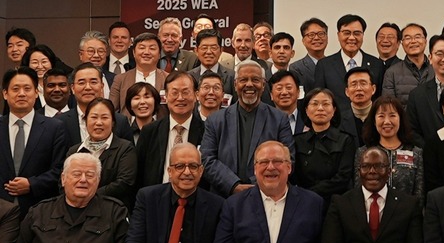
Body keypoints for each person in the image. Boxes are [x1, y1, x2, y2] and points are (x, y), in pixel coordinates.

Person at [0, 68, 66, 205]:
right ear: (5, 94)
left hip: (39, 207)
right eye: (15, 89)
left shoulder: (54, 128)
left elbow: (60, 169)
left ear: (36, 93)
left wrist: (32, 184)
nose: (21, 94)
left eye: (27, 89)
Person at [201, 60, 294, 195]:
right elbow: (207, 159)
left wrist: (256, 187)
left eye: (255, 80)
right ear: (235, 85)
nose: (249, 84)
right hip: (224, 196)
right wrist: (233, 185)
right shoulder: (215, 120)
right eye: (243, 80)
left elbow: (288, 159)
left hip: (265, 196)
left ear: (263, 85)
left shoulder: (279, 119)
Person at [41, 96, 138, 207]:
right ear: (85, 121)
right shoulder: (74, 151)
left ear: (113, 122)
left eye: (104, 118)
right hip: (75, 209)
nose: (99, 122)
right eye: (94, 117)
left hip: (111, 209)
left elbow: (124, 183)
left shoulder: (125, 148)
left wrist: (87, 195)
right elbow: (63, 182)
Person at [138, 71, 205, 188]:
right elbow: (139, 172)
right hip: (156, 196)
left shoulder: (207, 131)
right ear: (166, 96)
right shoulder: (150, 131)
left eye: (185, 92)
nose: (180, 98)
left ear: (196, 96)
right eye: (174, 93)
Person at [293, 87, 356, 199]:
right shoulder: (297, 141)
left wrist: (312, 192)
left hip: (336, 200)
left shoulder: (345, 140)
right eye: (315, 104)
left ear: (334, 110)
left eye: (326, 104)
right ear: (306, 110)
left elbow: (343, 177)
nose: (320, 108)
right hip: (305, 200)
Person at [362, 96, 422, 199]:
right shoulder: (364, 152)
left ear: (400, 119)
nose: (387, 121)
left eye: (392, 115)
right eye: (381, 116)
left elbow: (419, 195)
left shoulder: (415, 153)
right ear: (374, 121)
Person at [315, 13, 370, 101]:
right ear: (338, 35)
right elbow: (319, 98)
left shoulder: (377, 65)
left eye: (357, 33)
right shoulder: (324, 65)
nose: (351, 38)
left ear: (363, 35)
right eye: (347, 33)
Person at [379, 23, 431, 103]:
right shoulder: (392, 73)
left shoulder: (437, 69)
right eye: (407, 38)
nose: (413, 41)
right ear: (402, 43)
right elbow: (389, 106)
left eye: (417, 37)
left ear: (425, 41)